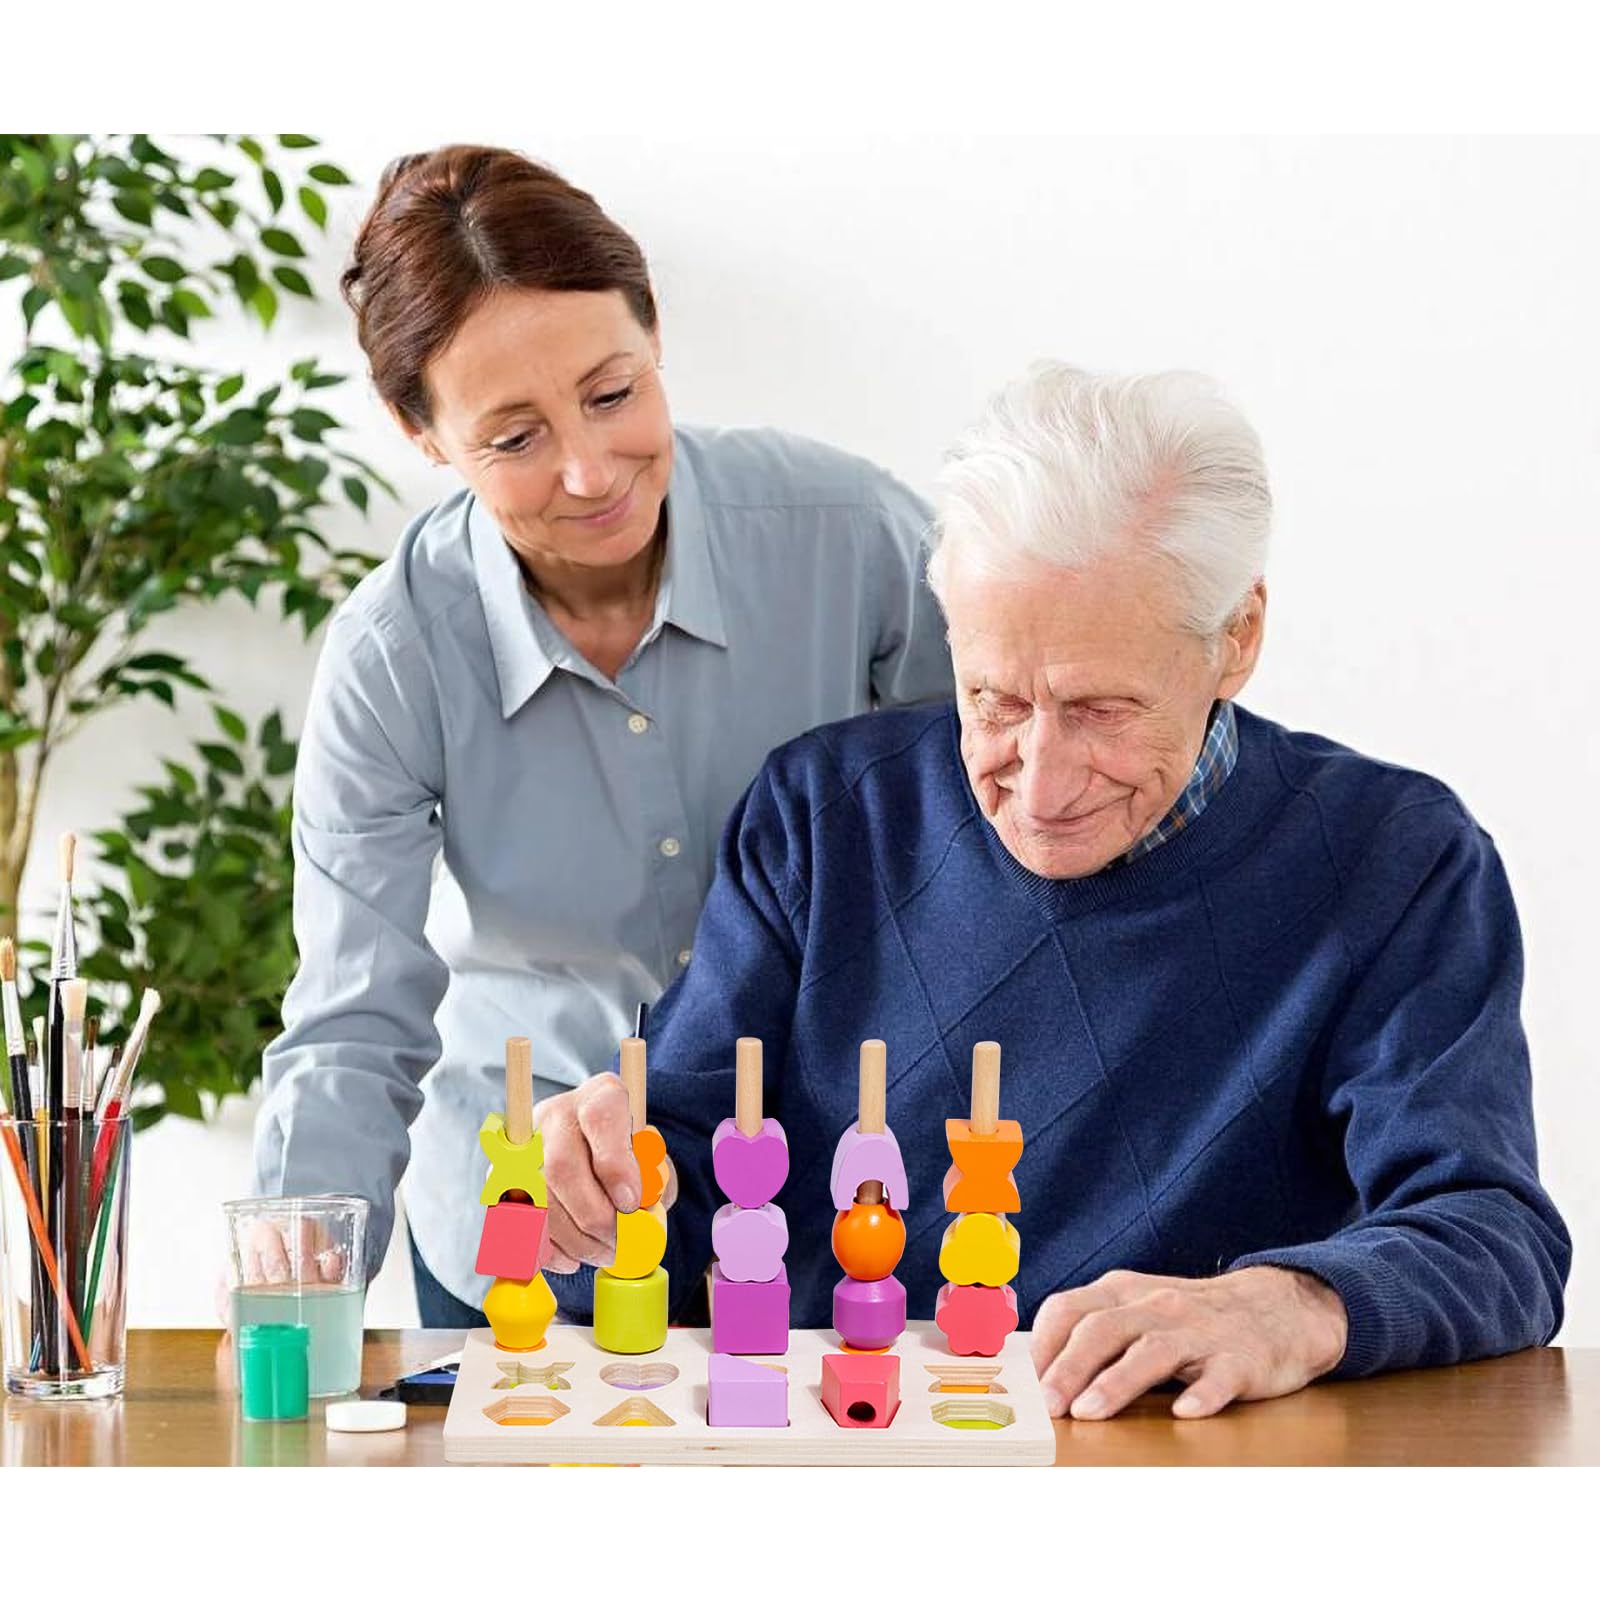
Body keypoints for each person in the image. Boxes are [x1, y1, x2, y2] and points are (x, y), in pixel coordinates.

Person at [534, 362, 1571, 1419]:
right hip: (854, 1451)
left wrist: (1289, 1304)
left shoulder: (1397, 860)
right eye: (993, 701)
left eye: (1100, 710)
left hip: (1178, 1462)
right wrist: (599, 1196)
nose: (1037, 785)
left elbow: (1493, 1233)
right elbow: (679, 1178)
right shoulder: (824, 814)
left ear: (1236, 638)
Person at [248, 146, 952, 1323]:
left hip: (826, 1215)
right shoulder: (393, 655)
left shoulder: (858, 539)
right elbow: (355, 1010)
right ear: (421, 431)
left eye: (613, 393)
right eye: (513, 439)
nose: (588, 471)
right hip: (523, 1233)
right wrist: (298, 1255)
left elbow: (993, 839)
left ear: (653, 331)